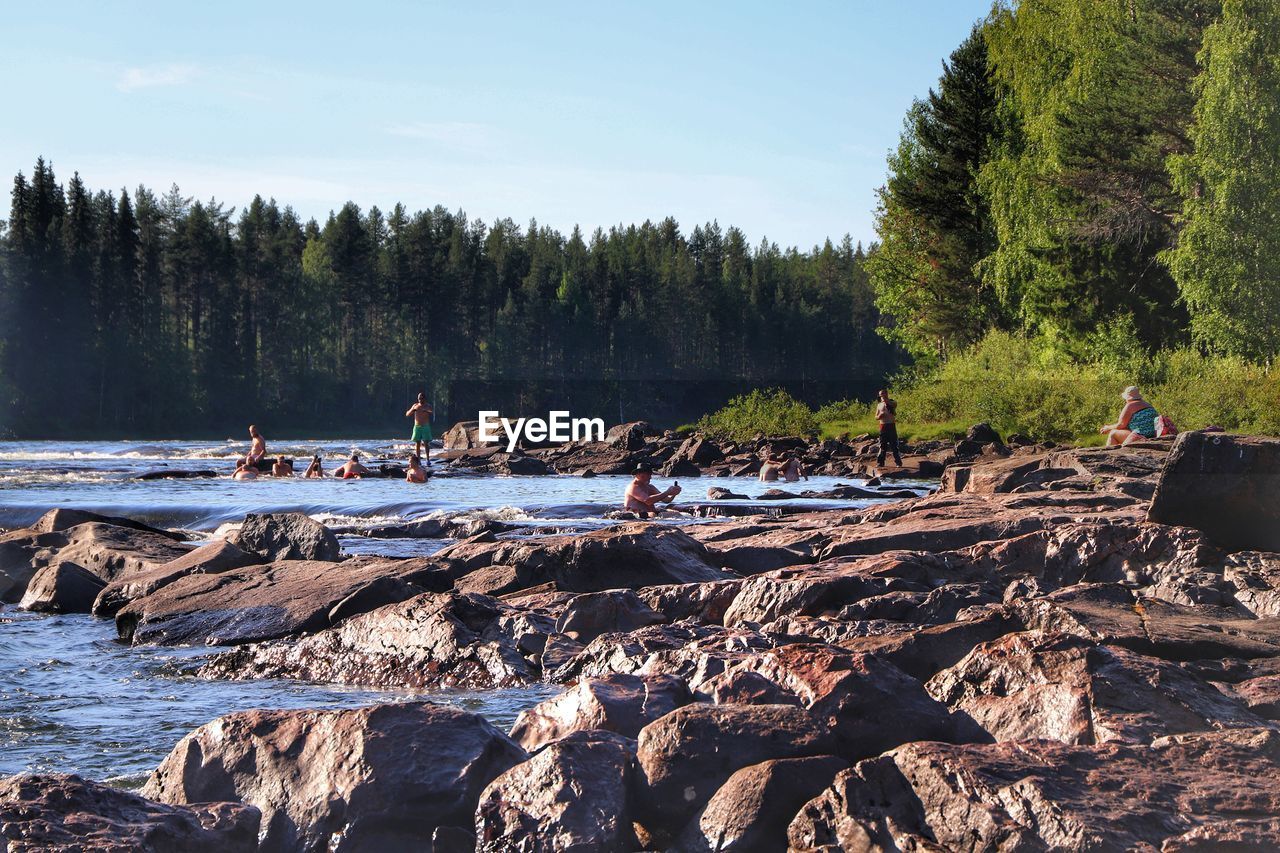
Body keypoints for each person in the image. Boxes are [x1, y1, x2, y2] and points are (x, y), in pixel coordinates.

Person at [875, 388, 902, 467]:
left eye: (883, 394)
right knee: (882, 445)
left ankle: (898, 463)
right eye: (881, 394)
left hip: (891, 425)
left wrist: (886, 400)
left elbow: (892, 405)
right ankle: (880, 463)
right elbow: (876, 417)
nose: (882, 396)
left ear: (887, 394)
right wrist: (880, 416)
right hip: (883, 426)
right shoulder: (879, 405)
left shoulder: (893, 402)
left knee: (894, 445)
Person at [406, 393, 434, 466]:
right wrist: (412, 410)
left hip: (425, 426)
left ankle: (428, 460)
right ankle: (418, 460)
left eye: (422, 398)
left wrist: (426, 411)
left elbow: (431, 412)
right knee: (417, 443)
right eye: (419, 398)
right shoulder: (415, 405)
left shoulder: (428, 406)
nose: (420, 400)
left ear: (424, 399)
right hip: (417, 426)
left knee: (426, 443)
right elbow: (407, 414)